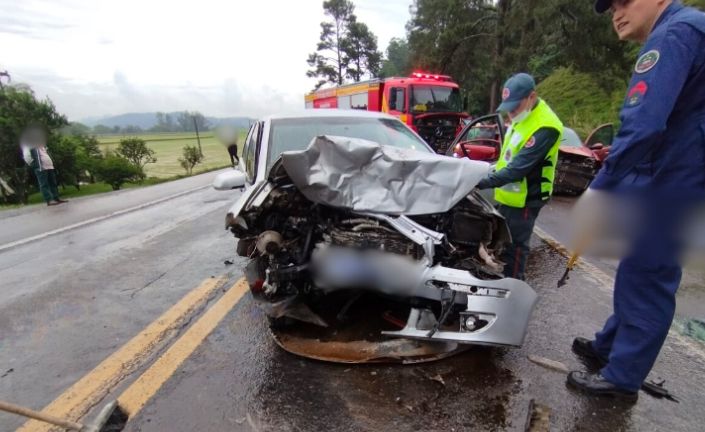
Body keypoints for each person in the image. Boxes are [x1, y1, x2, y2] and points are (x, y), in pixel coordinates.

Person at [567, 0, 705, 402]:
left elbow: (644, 122)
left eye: (625, 1)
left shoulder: (674, 34)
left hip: (679, 178)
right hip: (679, 171)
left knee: (647, 273)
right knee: (638, 266)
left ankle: (622, 379)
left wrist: (603, 185)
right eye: (611, 6)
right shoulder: (692, 28)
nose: (617, 13)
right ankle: (609, 346)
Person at [476, 73, 564, 280]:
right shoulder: (521, 118)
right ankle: (501, 281)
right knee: (502, 244)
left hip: (526, 199)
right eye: (508, 107)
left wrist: (479, 182)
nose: (511, 113)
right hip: (509, 195)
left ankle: (514, 290)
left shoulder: (545, 126)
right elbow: (506, 160)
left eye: (515, 107)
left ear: (531, 97)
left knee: (515, 248)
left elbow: (517, 169)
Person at [21, 126, 67, 206]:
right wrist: (33, 164)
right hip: (40, 167)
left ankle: (56, 198)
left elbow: (45, 153)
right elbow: (26, 156)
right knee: (44, 184)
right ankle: (49, 200)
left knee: (53, 183)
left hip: (49, 165)